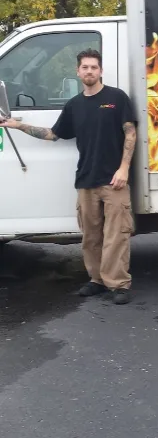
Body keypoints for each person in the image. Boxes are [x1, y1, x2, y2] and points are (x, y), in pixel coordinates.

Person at [0, 49, 137, 305]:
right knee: (91, 236)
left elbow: (130, 133)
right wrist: (17, 125)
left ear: (101, 71)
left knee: (117, 234)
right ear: (77, 72)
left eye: (94, 67)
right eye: (85, 67)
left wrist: (124, 168)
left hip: (113, 180)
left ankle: (119, 284)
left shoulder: (116, 98)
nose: (89, 71)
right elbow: (53, 134)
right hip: (86, 180)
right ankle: (97, 280)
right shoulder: (74, 105)